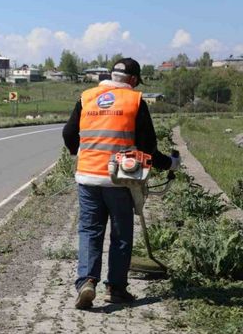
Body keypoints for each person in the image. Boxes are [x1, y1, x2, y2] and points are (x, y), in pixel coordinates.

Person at [62, 58, 180, 309]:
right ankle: (115, 289)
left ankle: (86, 281)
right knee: (121, 235)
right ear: (134, 80)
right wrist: (170, 164)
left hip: (88, 177)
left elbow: (69, 134)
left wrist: (81, 152)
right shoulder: (135, 101)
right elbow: (148, 149)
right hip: (120, 180)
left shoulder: (87, 97)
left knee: (90, 231)